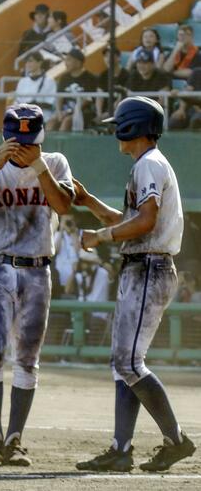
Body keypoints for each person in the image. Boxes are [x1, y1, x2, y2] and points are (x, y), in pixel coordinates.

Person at [75, 97, 196, 472]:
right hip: (142, 265)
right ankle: (121, 448)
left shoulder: (150, 165)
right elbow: (135, 221)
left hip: (150, 267)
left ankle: (175, 441)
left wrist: (101, 236)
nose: (115, 131)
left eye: (119, 125)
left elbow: (143, 223)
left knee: (128, 363)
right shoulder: (148, 165)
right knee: (123, 365)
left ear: (134, 127)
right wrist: (89, 201)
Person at [0, 104, 74, 466]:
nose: (22, 147)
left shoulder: (54, 163)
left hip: (37, 269)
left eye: (29, 141)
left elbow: (64, 206)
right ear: (4, 138)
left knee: (27, 359)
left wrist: (39, 167)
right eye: (16, 141)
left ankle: (15, 438)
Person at [51, 48, 99, 131]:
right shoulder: (64, 78)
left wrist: (72, 112)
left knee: (67, 121)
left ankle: (63, 143)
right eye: (65, 60)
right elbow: (59, 97)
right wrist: (59, 112)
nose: (66, 63)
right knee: (51, 122)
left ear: (78, 63)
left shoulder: (90, 78)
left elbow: (87, 99)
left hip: (83, 111)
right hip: (66, 110)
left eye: (69, 60)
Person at [13, 51, 57, 120]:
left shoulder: (49, 81)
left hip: (43, 117)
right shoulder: (22, 81)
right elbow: (17, 101)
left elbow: (50, 103)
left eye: (30, 61)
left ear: (39, 62)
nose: (27, 64)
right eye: (26, 62)